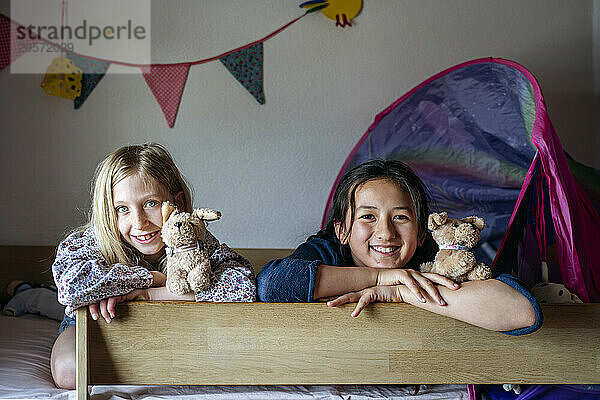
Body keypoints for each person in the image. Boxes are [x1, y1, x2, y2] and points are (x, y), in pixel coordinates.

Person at [51, 143, 256, 389]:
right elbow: (72, 287)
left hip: (171, 325)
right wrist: (148, 278)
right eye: (122, 209)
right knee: (70, 373)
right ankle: (26, 292)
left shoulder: (192, 239)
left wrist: (154, 291)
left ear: (176, 202)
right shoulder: (92, 241)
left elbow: (242, 286)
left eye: (151, 204)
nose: (139, 222)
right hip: (97, 325)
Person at [257, 159, 542, 335]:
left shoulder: (434, 258)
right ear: (342, 231)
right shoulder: (328, 251)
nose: (385, 232)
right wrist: (379, 276)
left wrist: (398, 292)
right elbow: (272, 284)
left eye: (401, 217)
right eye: (368, 216)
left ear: (420, 232)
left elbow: (521, 311)